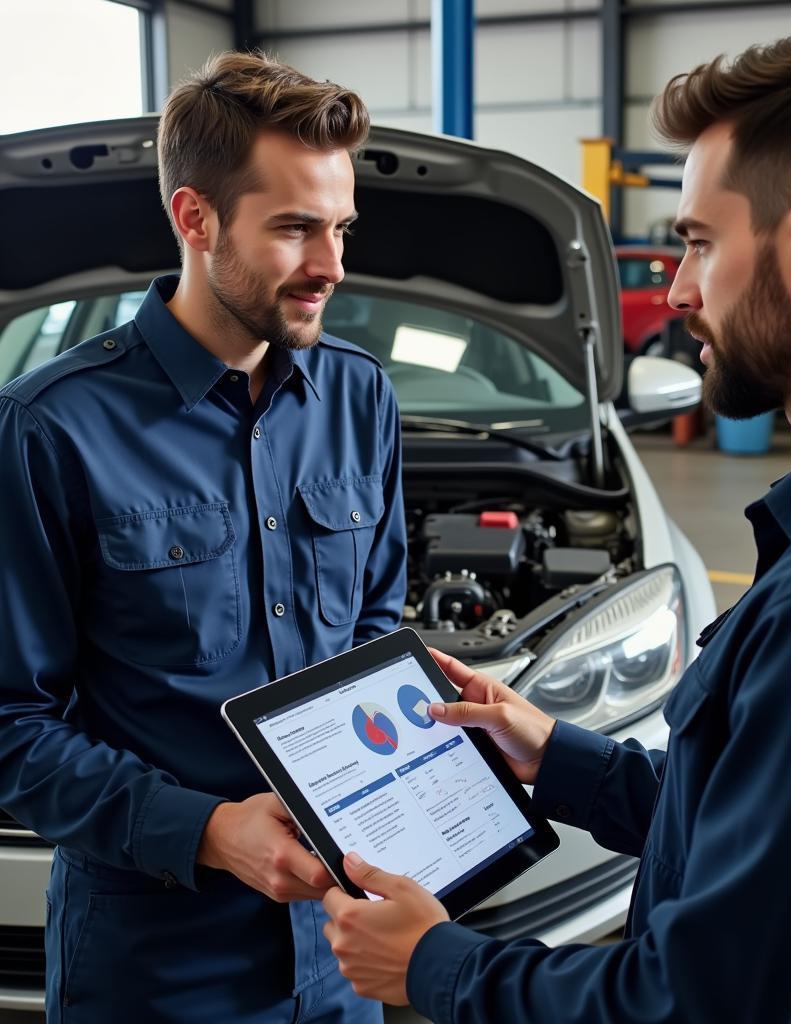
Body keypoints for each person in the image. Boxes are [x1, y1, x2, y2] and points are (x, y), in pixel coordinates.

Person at [319, 25, 791, 1023]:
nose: (681, 290)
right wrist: (553, 753)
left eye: (696, 240)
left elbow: (693, 1002)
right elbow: (775, 827)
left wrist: (433, 963)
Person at [0, 52, 405, 1023]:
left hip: (343, 943)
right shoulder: (51, 427)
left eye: (341, 227)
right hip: (155, 961)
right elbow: (11, 725)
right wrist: (212, 830)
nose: (332, 266)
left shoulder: (359, 396)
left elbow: (373, 635)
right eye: (296, 229)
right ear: (195, 218)